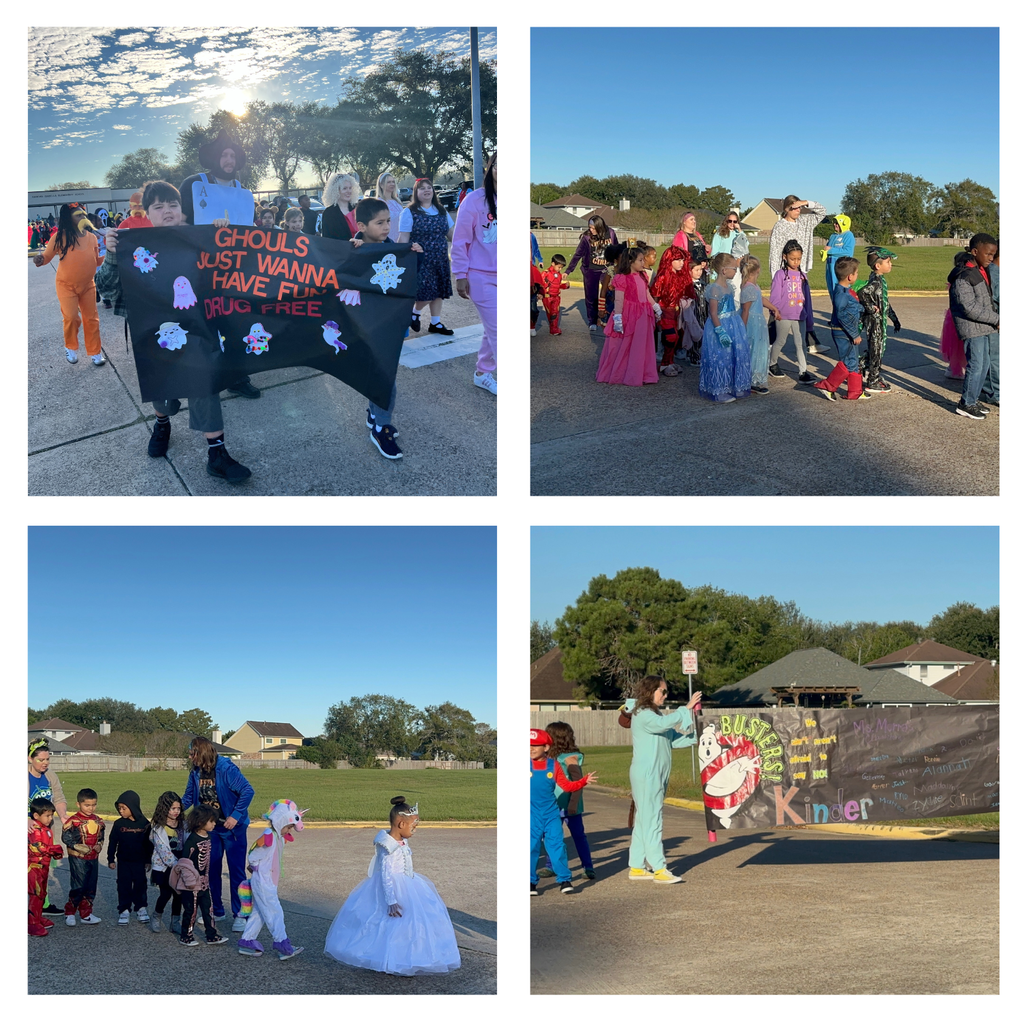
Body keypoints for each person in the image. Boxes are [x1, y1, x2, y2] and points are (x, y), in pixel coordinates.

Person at [96, 180, 252, 482]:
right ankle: (163, 423)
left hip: (196, 327)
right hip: (154, 331)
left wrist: (223, 236)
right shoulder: (131, 243)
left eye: (173, 205)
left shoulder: (196, 238)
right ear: (147, 212)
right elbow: (106, 289)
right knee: (163, 388)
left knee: (203, 381)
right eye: (159, 206)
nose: (167, 211)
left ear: (181, 208)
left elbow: (230, 273)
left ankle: (217, 453)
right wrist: (113, 255)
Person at [325, 796, 461, 974]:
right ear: (401, 824)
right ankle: (387, 957)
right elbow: (386, 874)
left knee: (412, 921)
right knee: (390, 920)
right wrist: (391, 900)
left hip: (409, 884)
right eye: (413, 826)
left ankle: (410, 955)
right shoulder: (387, 845)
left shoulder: (403, 840)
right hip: (391, 889)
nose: (415, 830)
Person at [351, 197, 424, 460]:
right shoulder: (353, 248)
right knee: (385, 377)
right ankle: (380, 427)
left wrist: (414, 255)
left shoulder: (393, 247)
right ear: (362, 225)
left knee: (383, 373)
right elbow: (341, 270)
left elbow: (404, 278)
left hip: (389, 323)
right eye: (379, 223)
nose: (386, 227)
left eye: (388, 222)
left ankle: (375, 414)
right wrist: (353, 250)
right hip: (364, 326)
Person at [620, 677, 701, 883]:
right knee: (652, 819)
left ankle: (637, 867)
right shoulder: (643, 714)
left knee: (643, 820)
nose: (666, 696)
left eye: (666, 692)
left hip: (655, 773)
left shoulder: (653, 714)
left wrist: (701, 735)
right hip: (647, 774)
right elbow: (663, 724)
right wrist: (686, 708)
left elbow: (674, 738)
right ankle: (659, 868)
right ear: (650, 691)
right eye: (662, 692)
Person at [182, 735, 255, 933]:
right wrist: (174, 810)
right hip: (210, 828)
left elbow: (247, 791)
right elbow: (189, 796)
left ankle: (241, 914)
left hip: (232, 828)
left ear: (201, 753)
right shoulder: (195, 772)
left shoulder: (226, 769)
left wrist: (236, 816)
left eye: (192, 754)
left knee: (236, 872)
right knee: (210, 869)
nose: (190, 758)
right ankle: (217, 910)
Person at [33, 203, 106, 366]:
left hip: (88, 285)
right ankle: (70, 347)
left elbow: (96, 261)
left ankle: (95, 352)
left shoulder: (92, 237)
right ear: (69, 219)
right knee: (71, 318)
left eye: (83, 214)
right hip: (66, 286)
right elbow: (46, 257)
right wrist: (40, 260)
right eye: (78, 215)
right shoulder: (59, 237)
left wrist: (109, 255)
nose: (83, 217)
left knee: (92, 319)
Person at [452, 151, 498, 395]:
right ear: (490, 168)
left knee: (493, 328)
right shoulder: (474, 200)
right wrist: (460, 274)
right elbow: (460, 240)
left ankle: (482, 372)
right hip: (481, 275)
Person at [237, 800, 307, 960]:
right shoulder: (269, 835)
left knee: (260, 912)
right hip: (263, 882)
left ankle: (247, 941)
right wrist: (254, 866)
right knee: (275, 912)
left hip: (268, 881)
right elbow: (253, 854)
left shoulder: (277, 835)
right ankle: (282, 943)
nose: (289, 830)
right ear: (280, 821)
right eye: (288, 826)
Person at [530, 731, 596, 895]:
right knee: (531, 848)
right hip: (531, 816)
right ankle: (530, 882)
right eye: (528, 745)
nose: (530, 749)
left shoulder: (554, 765)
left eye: (535, 745)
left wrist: (583, 781)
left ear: (546, 747)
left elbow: (567, 786)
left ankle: (564, 880)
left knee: (557, 847)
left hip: (551, 815)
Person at [949, 233, 998, 419]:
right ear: (975, 251)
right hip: (972, 328)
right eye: (988, 254)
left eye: (993, 254)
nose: (991, 258)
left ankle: (973, 398)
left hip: (983, 326)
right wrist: (997, 319)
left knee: (984, 364)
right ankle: (966, 403)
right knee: (976, 365)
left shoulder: (978, 270)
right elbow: (969, 307)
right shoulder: (964, 276)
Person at [398, 177, 455, 336]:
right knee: (427, 292)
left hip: (440, 258)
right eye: (422, 188)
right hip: (421, 259)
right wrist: (402, 258)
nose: (426, 190)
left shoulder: (441, 210)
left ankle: (435, 322)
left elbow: (452, 235)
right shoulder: (409, 212)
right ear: (416, 192)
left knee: (439, 292)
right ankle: (415, 312)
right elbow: (404, 239)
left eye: (429, 187)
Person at [545, 721, 597, 881]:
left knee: (578, 836)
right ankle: (551, 866)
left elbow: (578, 783)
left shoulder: (570, 758)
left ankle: (587, 867)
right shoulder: (551, 758)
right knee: (552, 837)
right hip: (553, 806)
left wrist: (573, 804)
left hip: (569, 806)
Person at [814, 256, 869, 401]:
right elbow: (842, 315)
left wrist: (865, 308)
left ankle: (855, 391)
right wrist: (854, 334)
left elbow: (852, 307)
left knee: (853, 361)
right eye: (857, 273)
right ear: (850, 276)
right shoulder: (841, 294)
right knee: (847, 361)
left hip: (847, 332)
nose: (857, 276)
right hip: (843, 333)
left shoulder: (845, 291)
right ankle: (828, 385)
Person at [700, 253, 751, 402]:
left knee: (733, 355)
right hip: (720, 326)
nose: (736, 271)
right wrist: (720, 331)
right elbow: (713, 313)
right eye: (734, 269)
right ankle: (719, 390)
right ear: (724, 270)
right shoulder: (715, 289)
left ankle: (733, 386)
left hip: (733, 323)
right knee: (721, 357)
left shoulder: (729, 286)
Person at [176, 805, 229, 947]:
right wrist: (190, 881)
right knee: (191, 911)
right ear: (200, 822)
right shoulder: (192, 841)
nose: (214, 824)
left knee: (208, 909)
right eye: (211, 821)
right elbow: (185, 862)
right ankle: (186, 935)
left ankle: (211, 935)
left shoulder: (209, 837)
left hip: (204, 882)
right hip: (192, 883)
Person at [28, 740, 68, 917]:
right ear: (30, 758)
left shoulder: (50, 775)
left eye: (47, 759)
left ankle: (43, 904)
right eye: (41, 759)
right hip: (29, 830)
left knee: (43, 868)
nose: (45, 763)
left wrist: (63, 814)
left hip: (46, 831)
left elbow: (58, 797)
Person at [856, 245, 902, 395]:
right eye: (888, 262)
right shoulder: (875, 282)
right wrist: (870, 308)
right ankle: (872, 380)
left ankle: (859, 367)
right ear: (878, 265)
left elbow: (885, 303)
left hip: (879, 323)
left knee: (876, 350)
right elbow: (862, 293)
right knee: (876, 351)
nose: (891, 265)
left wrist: (894, 319)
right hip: (874, 323)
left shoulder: (879, 280)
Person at [768, 240, 816, 384]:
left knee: (801, 344)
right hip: (783, 315)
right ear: (785, 257)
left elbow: (807, 298)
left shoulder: (803, 276)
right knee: (780, 341)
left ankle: (803, 371)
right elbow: (775, 294)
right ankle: (772, 363)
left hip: (800, 315)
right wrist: (775, 310)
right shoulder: (780, 274)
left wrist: (809, 318)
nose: (796, 262)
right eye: (792, 258)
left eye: (799, 259)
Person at [107, 790, 152, 925]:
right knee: (123, 885)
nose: (121, 811)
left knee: (140, 885)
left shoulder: (144, 823)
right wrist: (110, 859)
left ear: (133, 806)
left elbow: (149, 844)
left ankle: (141, 908)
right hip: (124, 861)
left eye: (124, 808)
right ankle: (124, 909)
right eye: (119, 808)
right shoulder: (119, 824)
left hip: (139, 861)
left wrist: (148, 860)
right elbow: (113, 841)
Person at [61, 787, 105, 926]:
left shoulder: (98, 821)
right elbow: (66, 838)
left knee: (91, 886)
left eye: (93, 805)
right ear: (78, 804)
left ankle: (86, 913)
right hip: (78, 859)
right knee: (78, 886)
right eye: (87, 805)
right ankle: (70, 912)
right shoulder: (73, 821)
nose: (90, 808)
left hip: (93, 858)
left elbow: (101, 836)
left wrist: (100, 845)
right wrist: (77, 846)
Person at [566, 215, 619, 330]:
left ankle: (607, 317)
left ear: (600, 227)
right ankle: (592, 321)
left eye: (594, 228)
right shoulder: (586, 237)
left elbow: (616, 250)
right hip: (591, 269)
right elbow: (578, 254)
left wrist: (618, 266)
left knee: (609, 294)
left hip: (607, 269)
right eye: (590, 227)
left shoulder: (611, 233)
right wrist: (568, 270)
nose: (591, 230)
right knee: (591, 296)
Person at [650, 246, 693, 376]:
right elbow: (655, 296)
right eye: (678, 260)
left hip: (675, 311)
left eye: (682, 260)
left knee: (676, 336)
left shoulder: (679, 275)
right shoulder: (662, 276)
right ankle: (664, 364)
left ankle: (669, 361)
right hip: (664, 310)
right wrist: (656, 313)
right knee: (670, 336)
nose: (681, 263)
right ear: (669, 260)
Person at [739, 255, 777, 396]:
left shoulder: (754, 286)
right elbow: (745, 310)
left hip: (758, 323)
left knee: (759, 349)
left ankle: (755, 377)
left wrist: (773, 307)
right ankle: (752, 380)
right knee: (753, 350)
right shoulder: (748, 288)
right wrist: (742, 328)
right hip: (752, 324)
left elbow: (760, 299)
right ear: (758, 270)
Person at [148, 790, 185, 934]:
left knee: (179, 895)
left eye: (178, 808)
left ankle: (175, 921)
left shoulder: (183, 825)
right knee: (166, 894)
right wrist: (176, 865)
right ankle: (157, 915)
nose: (176, 811)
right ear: (165, 809)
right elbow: (163, 851)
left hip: (180, 864)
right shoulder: (159, 828)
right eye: (172, 808)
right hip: (166, 867)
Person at [28, 798, 63, 937]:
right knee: (36, 895)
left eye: (51, 815)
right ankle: (31, 923)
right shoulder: (34, 829)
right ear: (36, 816)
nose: (50, 818)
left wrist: (55, 853)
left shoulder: (46, 829)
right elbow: (37, 848)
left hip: (44, 867)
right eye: (47, 815)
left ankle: (37, 917)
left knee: (42, 893)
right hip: (34, 867)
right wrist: (54, 849)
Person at [821, 214, 855, 303]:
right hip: (830, 266)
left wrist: (830, 250)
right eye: (834, 223)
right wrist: (824, 253)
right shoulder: (833, 236)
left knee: (841, 291)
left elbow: (848, 251)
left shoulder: (848, 235)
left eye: (837, 223)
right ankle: (836, 313)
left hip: (841, 267)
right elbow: (828, 249)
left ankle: (844, 313)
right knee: (832, 290)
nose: (835, 225)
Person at [322, 172, 360, 241]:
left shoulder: (358, 208)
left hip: (362, 249)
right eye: (345, 188)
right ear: (336, 191)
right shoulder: (329, 213)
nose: (349, 191)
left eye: (350, 188)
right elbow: (327, 239)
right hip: (341, 250)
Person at [596, 242, 626, 328]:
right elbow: (603, 291)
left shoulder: (628, 272)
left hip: (623, 306)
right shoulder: (610, 271)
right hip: (610, 304)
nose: (625, 262)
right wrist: (601, 309)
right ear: (616, 261)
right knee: (609, 327)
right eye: (622, 259)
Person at [540, 254, 570, 336]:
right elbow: (540, 284)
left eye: (561, 268)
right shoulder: (545, 273)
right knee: (550, 314)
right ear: (553, 264)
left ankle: (554, 329)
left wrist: (565, 286)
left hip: (556, 297)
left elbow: (557, 286)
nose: (560, 269)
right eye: (559, 267)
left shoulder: (559, 275)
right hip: (547, 297)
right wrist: (540, 293)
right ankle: (552, 327)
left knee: (555, 313)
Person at [376, 173, 406, 242]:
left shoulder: (397, 201)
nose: (392, 184)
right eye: (389, 182)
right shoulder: (379, 202)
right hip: (387, 241)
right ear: (381, 185)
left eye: (393, 182)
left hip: (401, 240)